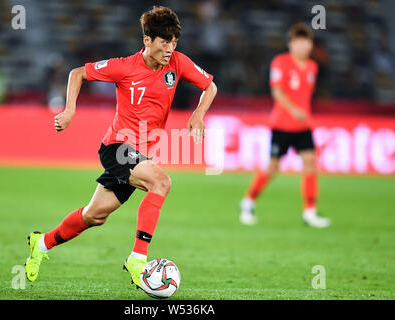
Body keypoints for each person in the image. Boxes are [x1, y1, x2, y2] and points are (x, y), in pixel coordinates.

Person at [25, 6, 217, 288]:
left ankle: (40, 244)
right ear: (147, 40)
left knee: (95, 215)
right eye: (165, 42)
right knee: (161, 183)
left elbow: (209, 86)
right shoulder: (124, 67)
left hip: (141, 154)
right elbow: (77, 73)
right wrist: (69, 111)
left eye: (175, 42)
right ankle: (138, 258)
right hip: (117, 147)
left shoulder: (178, 62)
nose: (170, 48)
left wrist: (198, 115)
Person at [239, 23, 330, 228]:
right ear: (290, 44)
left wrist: (303, 113)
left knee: (310, 162)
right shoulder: (280, 62)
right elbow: (277, 92)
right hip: (282, 125)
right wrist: (294, 109)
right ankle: (248, 201)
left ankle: (310, 211)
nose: (303, 46)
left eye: (306, 42)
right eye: (298, 42)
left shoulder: (312, 67)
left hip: (303, 126)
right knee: (273, 167)